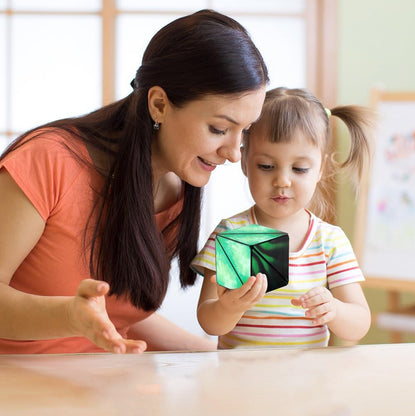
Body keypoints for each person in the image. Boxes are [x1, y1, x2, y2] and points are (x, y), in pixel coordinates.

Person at [0, 9, 268, 354]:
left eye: (244, 132)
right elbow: (86, 318)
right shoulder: (48, 161)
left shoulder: (174, 188)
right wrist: (68, 315)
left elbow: (120, 313)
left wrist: (216, 358)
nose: (233, 153)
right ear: (159, 104)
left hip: (110, 389)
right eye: (219, 129)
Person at [192, 87, 373, 349]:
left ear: (320, 168)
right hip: (239, 381)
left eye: (299, 169)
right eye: (266, 166)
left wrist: (333, 309)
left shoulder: (329, 241)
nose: (282, 181)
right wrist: (228, 308)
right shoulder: (232, 232)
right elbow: (208, 322)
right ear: (245, 163)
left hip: (305, 383)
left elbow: (360, 324)